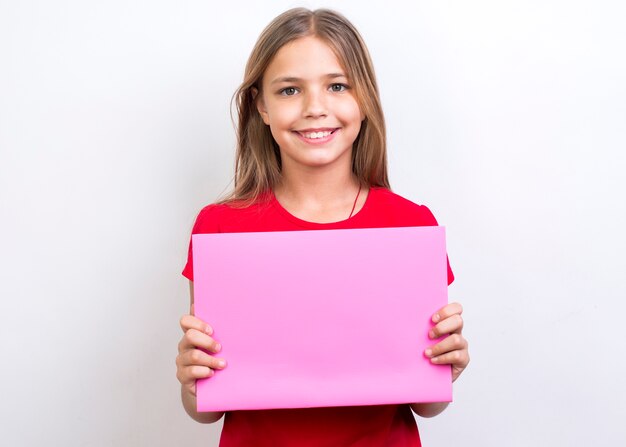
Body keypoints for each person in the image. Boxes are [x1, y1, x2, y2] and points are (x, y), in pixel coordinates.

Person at [176, 7, 469, 446]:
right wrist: (190, 379)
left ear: (364, 99)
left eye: (337, 86)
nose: (316, 108)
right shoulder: (221, 228)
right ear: (262, 106)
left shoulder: (410, 226)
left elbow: (425, 404)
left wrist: (449, 364)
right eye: (290, 89)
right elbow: (208, 408)